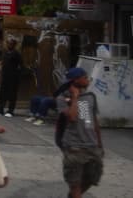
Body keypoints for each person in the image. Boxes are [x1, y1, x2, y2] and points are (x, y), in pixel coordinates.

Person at [57, 67, 103, 198]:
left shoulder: (90, 97)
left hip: (91, 146)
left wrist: (100, 144)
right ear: (76, 80)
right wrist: (75, 97)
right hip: (74, 147)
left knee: (92, 178)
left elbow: (92, 121)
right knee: (75, 183)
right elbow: (72, 117)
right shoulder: (63, 98)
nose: (88, 79)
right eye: (85, 77)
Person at [0, 37, 22, 117]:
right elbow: (4, 63)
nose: (8, 45)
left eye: (10, 43)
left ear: (14, 45)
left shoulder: (16, 54)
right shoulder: (6, 53)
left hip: (13, 77)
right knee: (2, 93)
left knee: (12, 94)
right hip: (5, 76)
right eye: (7, 43)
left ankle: (10, 111)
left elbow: (21, 66)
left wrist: (16, 74)